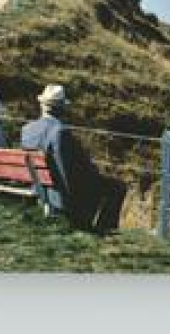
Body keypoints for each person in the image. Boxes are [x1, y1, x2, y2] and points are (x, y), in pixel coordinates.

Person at [19, 84, 127, 233]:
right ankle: (102, 229)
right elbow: (66, 171)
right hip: (58, 191)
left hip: (38, 186)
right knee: (117, 187)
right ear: (62, 108)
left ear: (42, 105)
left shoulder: (27, 129)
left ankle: (96, 227)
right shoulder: (60, 132)